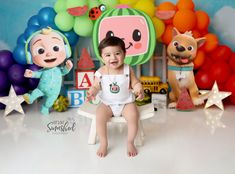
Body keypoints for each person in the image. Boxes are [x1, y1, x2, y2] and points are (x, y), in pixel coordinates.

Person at [86, 36, 144, 157]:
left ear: (124, 54)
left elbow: (135, 82)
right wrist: (92, 91)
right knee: (100, 116)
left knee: (133, 116)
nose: (113, 58)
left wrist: (138, 88)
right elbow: (96, 86)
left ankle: (130, 142)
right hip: (107, 104)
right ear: (102, 57)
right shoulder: (100, 72)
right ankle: (103, 142)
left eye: (117, 53)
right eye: (108, 55)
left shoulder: (128, 69)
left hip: (126, 103)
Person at [23, 27, 73, 115]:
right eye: (41, 51)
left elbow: (64, 71)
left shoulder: (58, 70)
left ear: (66, 50)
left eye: (56, 48)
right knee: (36, 92)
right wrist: (31, 74)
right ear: (30, 57)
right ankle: (30, 98)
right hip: (41, 88)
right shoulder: (43, 71)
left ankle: (45, 107)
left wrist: (68, 67)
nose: (49, 54)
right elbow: (38, 74)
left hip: (54, 92)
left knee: (50, 101)